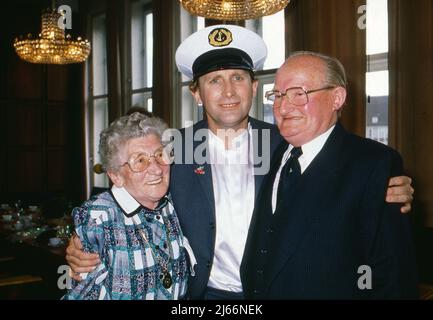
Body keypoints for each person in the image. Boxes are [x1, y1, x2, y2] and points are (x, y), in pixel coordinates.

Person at [65, 25, 414, 300]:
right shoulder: (174, 148)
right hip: (203, 297)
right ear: (196, 93)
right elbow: (129, 191)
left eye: (238, 78)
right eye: (215, 81)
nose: (228, 92)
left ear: (253, 85)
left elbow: (344, 174)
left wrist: (387, 187)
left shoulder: (288, 142)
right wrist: (85, 242)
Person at [240, 51, 418, 299]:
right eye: (277, 95)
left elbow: (393, 276)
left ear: (337, 98)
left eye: (298, 93)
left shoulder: (373, 164)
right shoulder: (271, 150)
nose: (283, 106)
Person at [63, 112, 195, 300]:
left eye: (159, 155)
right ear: (115, 175)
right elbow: (80, 294)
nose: (157, 169)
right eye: (140, 160)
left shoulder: (174, 203)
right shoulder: (99, 218)